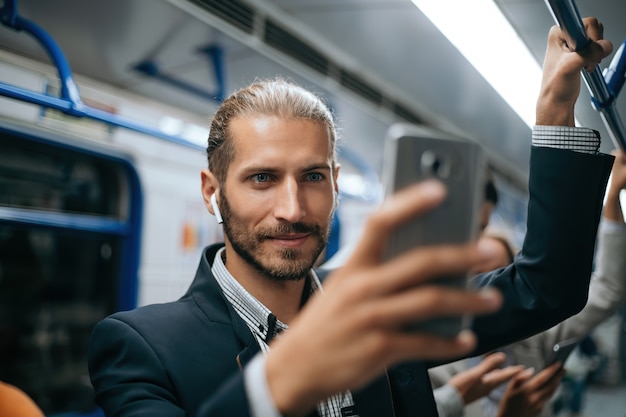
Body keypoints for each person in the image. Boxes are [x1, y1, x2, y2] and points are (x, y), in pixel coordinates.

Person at [88, 18, 614, 417]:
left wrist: (553, 114)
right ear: (212, 192)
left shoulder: (381, 307)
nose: (292, 210)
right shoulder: (142, 348)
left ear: (336, 185)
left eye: (313, 177)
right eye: (262, 179)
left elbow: (546, 289)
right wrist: (281, 382)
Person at [431, 148, 626, 417]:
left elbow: (608, 290)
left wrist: (613, 198)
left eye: (498, 277)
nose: (486, 289)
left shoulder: (535, 336)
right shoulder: (430, 363)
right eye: (475, 276)